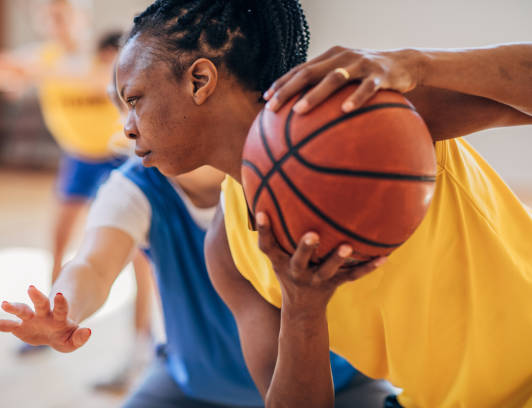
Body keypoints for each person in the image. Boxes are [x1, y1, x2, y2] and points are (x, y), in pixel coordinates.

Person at [109, 0, 532, 407]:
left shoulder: (367, 111)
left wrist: (418, 64)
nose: (128, 128)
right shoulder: (227, 246)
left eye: (134, 99)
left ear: (199, 80)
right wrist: (303, 307)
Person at [0, 67, 372, 406]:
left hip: (335, 385)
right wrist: (66, 307)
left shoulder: (288, 173)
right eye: (122, 105)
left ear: (201, 89)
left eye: (137, 102)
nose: (126, 126)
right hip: (192, 386)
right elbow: (93, 265)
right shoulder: (134, 186)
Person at [0, 2, 154, 355]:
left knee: (137, 253)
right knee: (58, 244)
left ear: (81, 17)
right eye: (49, 15)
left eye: (63, 13)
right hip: (79, 158)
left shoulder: (106, 54)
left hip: (117, 158)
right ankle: (49, 324)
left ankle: (142, 342)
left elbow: (101, 79)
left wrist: (42, 73)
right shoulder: (42, 60)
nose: (56, 22)